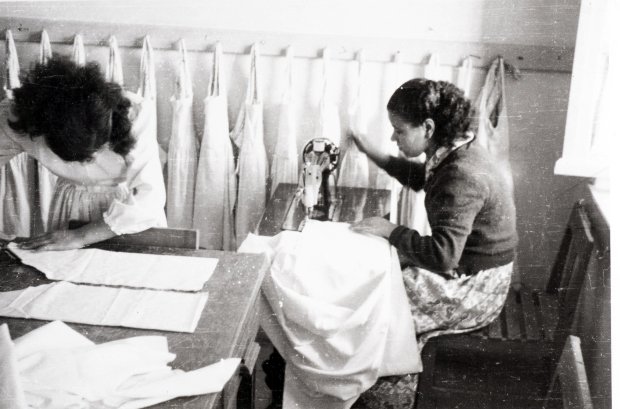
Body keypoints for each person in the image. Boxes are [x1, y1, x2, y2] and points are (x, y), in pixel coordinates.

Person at [348, 78, 518, 408]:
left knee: (382, 303)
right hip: (472, 269)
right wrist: (377, 156)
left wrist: (391, 230)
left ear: (427, 127)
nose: (393, 137)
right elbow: (425, 178)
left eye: (399, 131)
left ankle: (387, 398)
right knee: (383, 285)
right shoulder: (455, 152)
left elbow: (442, 256)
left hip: (477, 287)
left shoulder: (461, 174)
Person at [0, 55, 166, 250]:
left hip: (126, 213)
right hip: (69, 207)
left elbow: (149, 196)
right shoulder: (18, 118)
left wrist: (81, 236)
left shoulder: (135, 112)